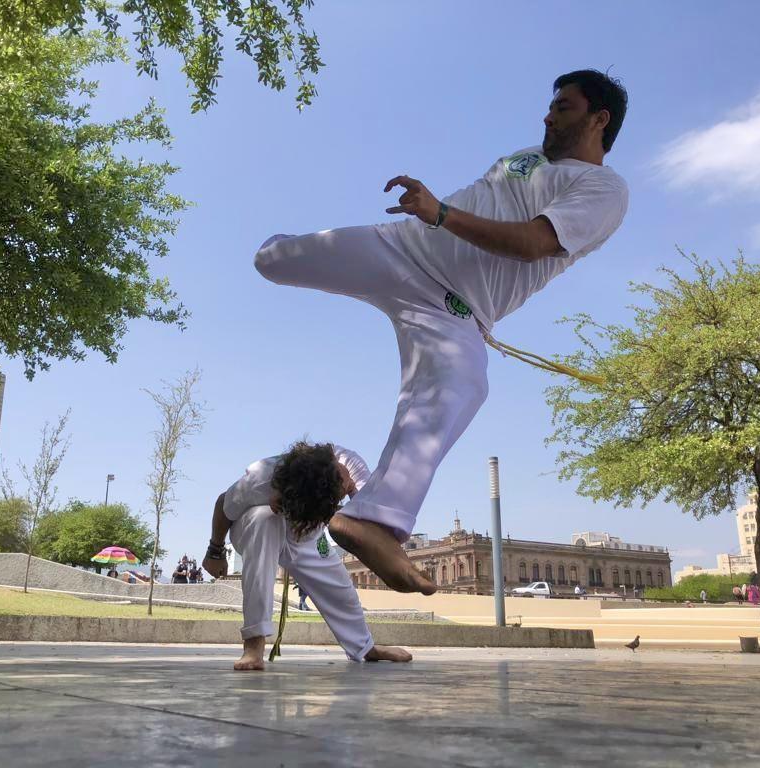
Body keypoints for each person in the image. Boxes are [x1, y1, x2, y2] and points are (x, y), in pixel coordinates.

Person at [254, 70, 629, 593]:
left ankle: (374, 520)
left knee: (464, 384)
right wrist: (432, 220)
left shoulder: (603, 189)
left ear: (599, 118)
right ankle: (280, 248)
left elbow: (535, 242)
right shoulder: (528, 155)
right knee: (271, 258)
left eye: (563, 107)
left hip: (454, 309)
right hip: (405, 248)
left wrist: (442, 213)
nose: (547, 115)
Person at [201, 440, 413, 671]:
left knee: (338, 582)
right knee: (265, 521)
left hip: (307, 526)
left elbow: (371, 528)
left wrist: (351, 493)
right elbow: (224, 503)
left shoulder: (354, 467)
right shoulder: (262, 478)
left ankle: (364, 647)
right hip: (254, 528)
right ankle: (254, 644)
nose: (348, 483)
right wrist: (215, 551)